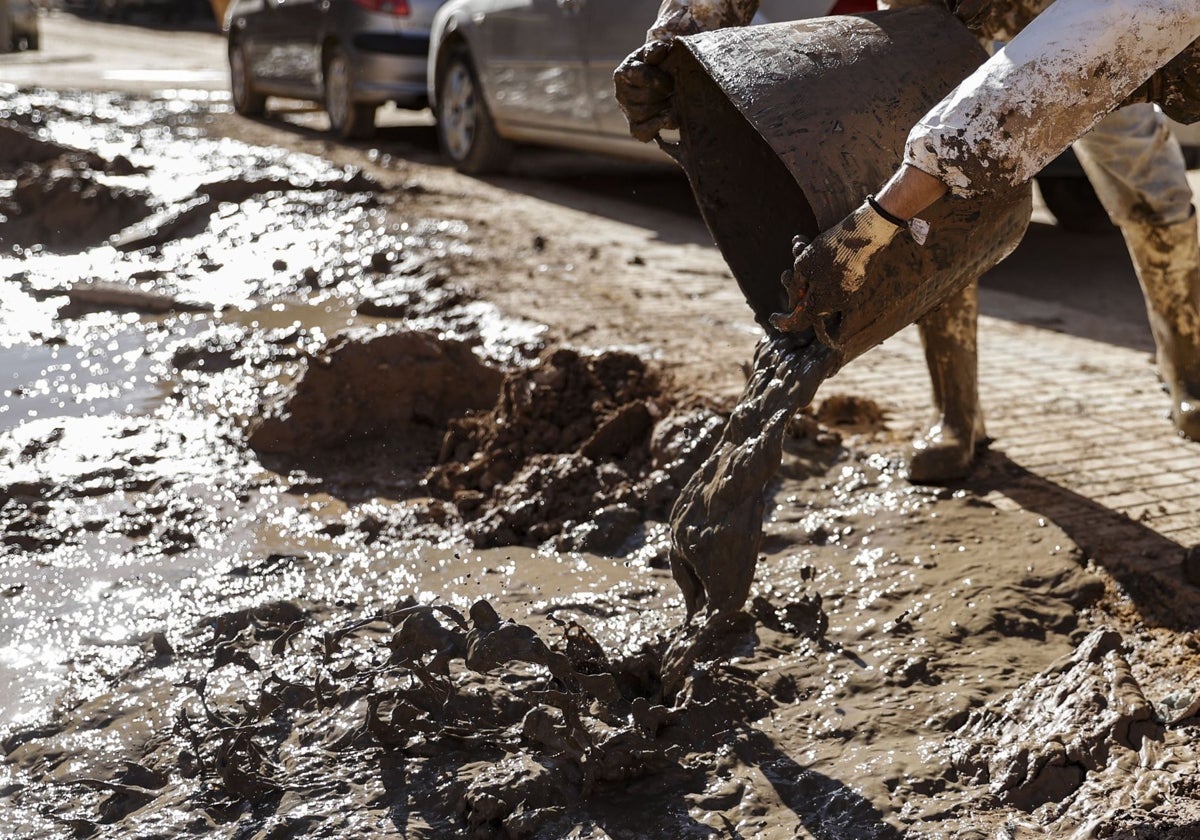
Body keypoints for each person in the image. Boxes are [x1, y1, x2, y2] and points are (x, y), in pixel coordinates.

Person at [614, 0, 1200, 484]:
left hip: (1092, 10)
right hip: (941, 9)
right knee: (935, 213)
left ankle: (1190, 366)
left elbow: (1037, 85)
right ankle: (956, 413)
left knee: (1148, 191)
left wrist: (878, 218)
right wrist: (675, 45)